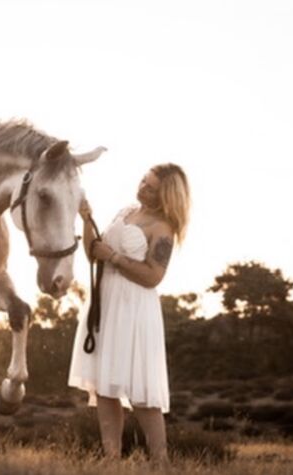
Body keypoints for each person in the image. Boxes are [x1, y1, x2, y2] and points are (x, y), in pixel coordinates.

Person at [68, 163, 191, 462]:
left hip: (134, 307)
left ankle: (160, 461)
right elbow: (93, 251)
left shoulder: (163, 228)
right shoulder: (125, 212)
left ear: (166, 194)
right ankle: (111, 460)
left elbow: (153, 276)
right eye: (142, 181)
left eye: (150, 187)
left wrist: (114, 257)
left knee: (141, 391)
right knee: (105, 387)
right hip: (106, 301)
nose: (141, 188)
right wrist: (87, 220)